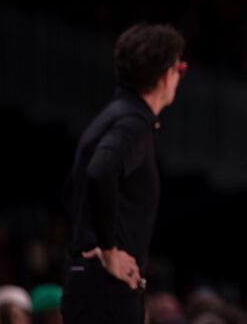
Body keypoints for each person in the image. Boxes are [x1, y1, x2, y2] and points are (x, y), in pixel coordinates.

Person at [60, 23, 187, 323]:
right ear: (167, 74)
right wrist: (108, 250)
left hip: (88, 281)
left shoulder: (111, 116)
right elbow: (101, 171)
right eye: (180, 67)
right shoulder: (134, 122)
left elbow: (70, 192)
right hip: (106, 289)